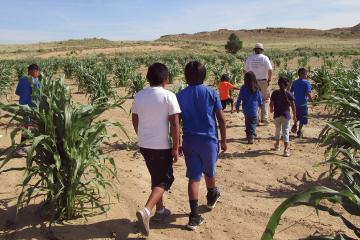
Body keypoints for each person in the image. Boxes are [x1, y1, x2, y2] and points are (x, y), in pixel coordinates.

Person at [131, 63, 181, 237]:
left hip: (145, 144)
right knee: (165, 179)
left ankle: (160, 211)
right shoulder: (169, 96)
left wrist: (141, 134)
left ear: (148, 79)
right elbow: (175, 123)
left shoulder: (140, 95)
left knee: (156, 176)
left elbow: (135, 117)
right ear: (166, 79)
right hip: (161, 145)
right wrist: (176, 147)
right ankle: (147, 210)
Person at [177, 61, 227, 231]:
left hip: (189, 140)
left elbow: (176, 122)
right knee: (209, 170)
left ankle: (193, 216)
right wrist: (225, 140)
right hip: (209, 139)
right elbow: (220, 119)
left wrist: (176, 143)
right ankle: (212, 194)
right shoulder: (211, 92)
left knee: (194, 177)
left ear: (186, 76)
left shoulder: (180, 95)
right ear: (204, 75)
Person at [15, 63, 41, 156]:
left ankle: (24, 146)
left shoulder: (22, 79)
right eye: (38, 71)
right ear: (34, 71)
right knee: (32, 126)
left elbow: (17, 92)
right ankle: (21, 148)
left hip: (23, 106)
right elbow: (39, 96)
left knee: (26, 126)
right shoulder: (35, 81)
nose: (38, 73)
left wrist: (24, 97)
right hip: (32, 107)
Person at [244, 43, 273, 124]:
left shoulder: (250, 58)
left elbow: (245, 70)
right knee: (265, 99)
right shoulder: (265, 58)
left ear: (255, 50)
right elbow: (270, 70)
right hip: (263, 81)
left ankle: (256, 119)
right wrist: (269, 80)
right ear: (262, 50)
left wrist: (247, 80)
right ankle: (264, 118)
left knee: (254, 99)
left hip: (252, 82)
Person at [270, 77, 297, 157]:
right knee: (285, 132)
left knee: (277, 130)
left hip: (277, 115)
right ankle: (286, 150)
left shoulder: (274, 93)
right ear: (287, 85)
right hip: (286, 115)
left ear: (278, 84)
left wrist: (271, 109)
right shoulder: (289, 94)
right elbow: (293, 106)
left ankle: (277, 145)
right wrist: (295, 115)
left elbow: (271, 103)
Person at [236, 71, 263, 144]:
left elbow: (239, 98)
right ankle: (252, 135)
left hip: (246, 109)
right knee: (253, 123)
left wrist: (237, 106)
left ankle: (249, 134)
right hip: (254, 109)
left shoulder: (243, 88)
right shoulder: (256, 88)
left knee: (247, 122)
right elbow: (259, 98)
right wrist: (261, 104)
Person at [290, 68, 312, 138]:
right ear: (303, 74)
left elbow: (291, 92)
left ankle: (295, 125)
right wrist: (312, 101)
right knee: (302, 118)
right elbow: (308, 93)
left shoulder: (294, 82)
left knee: (296, 115)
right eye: (306, 74)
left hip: (295, 103)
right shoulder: (306, 83)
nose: (307, 75)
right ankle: (299, 131)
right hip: (303, 103)